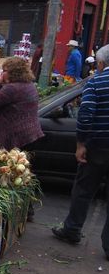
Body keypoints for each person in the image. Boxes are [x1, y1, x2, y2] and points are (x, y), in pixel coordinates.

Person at [52, 44, 109, 261]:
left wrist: (80, 144)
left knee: (84, 189)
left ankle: (72, 230)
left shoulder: (97, 81)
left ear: (101, 63)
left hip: (98, 146)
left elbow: (85, 115)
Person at [0, 57, 43, 150]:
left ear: (13, 72)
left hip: (15, 136)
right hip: (30, 134)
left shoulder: (11, 89)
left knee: (8, 163)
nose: (2, 73)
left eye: (4, 70)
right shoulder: (30, 84)